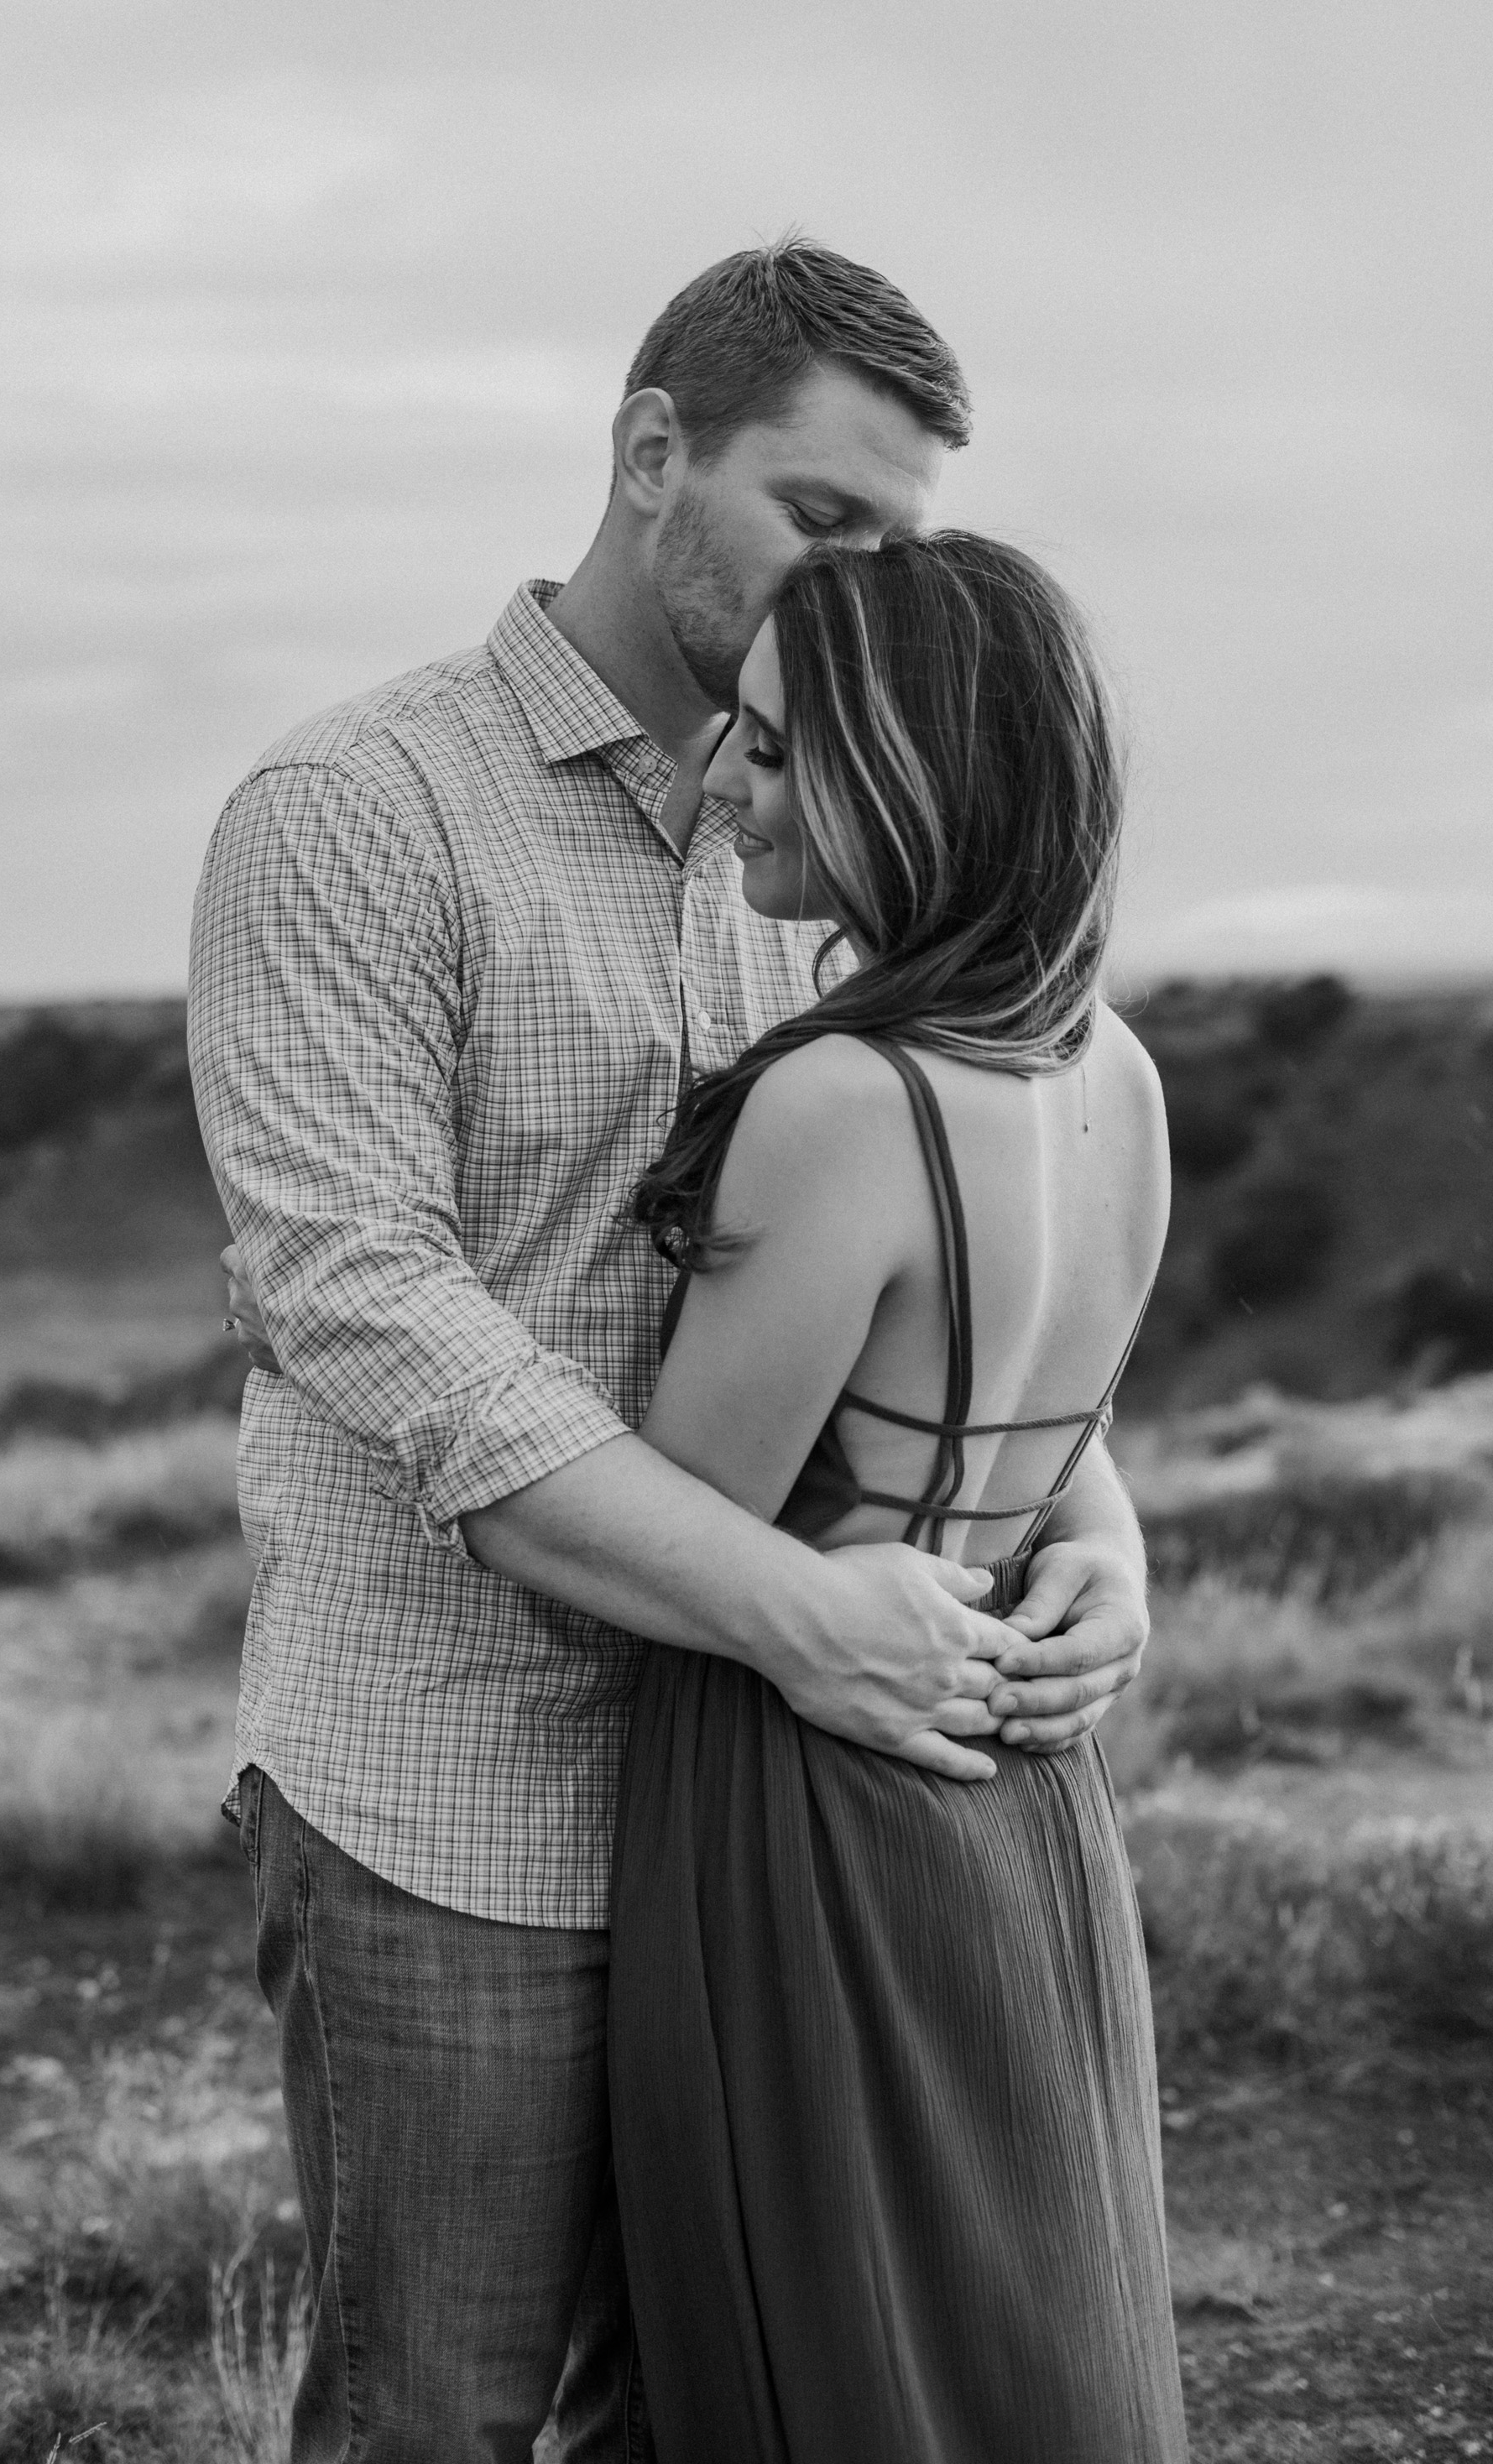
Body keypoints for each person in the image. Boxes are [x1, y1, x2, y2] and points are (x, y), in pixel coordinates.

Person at [191, 240, 1155, 2462]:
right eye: (830, 523)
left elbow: (964, 1184)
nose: (871, 587)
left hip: (784, 1825)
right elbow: (368, 1298)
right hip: (470, 1804)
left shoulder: (849, 808)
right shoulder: (354, 808)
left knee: (726, 2416)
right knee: (440, 2419)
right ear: (652, 457)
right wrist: (798, 1613)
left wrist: (1083, 1511)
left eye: (905, 547)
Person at [611, 533, 1185, 2461]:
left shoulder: (843, 1100)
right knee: (1025, 2334)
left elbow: (683, 1516)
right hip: (1026, 1792)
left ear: (904, 770)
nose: (722, 788)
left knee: (832, 2364)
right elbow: (1026, 1414)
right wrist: (1106, 1547)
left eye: (771, 751)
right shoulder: (1117, 1071)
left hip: (811, 1787)